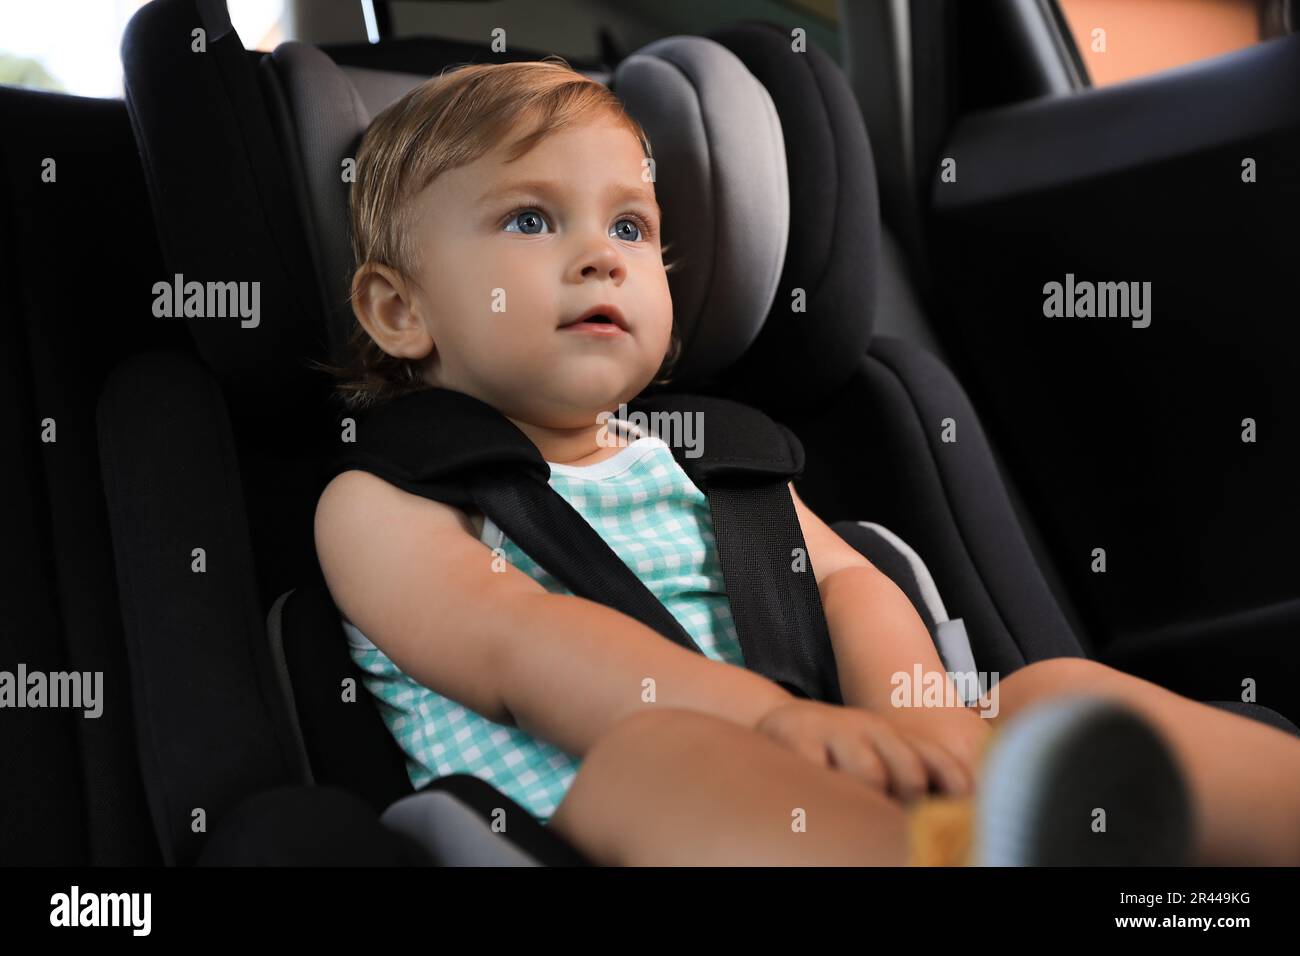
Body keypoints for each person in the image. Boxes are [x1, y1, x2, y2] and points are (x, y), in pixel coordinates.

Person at [312, 57, 1300, 866]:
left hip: (849, 771)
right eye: (529, 219)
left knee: (1049, 694)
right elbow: (520, 645)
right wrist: (765, 720)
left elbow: (845, 584)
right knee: (663, 754)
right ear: (399, 310)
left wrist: (920, 721)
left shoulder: (720, 465)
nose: (600, 254)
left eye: (630, 226)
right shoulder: (386, 498)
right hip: (594, 828)